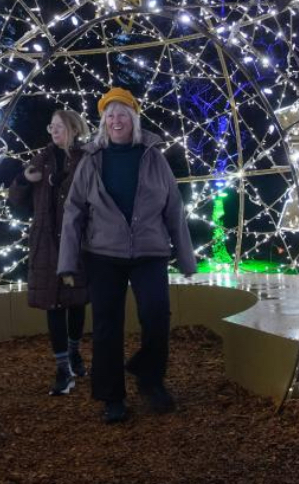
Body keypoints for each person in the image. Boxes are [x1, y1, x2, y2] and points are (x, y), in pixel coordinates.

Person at [58, 87, 197, 424]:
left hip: (150, 251)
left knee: (156, 316)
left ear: (134, 118)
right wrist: (67, 262)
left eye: (122, 114)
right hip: (103, 253)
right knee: (107, 326)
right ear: (103, 121)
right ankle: (112, 396)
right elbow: (74, 211)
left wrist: (185, 256)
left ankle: (149, 378)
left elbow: (173, 207)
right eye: (110, 115)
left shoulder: (153, 156)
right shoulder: (91, 160)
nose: (116, 120)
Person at [8, 109, 91, 395]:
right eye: (51, 126)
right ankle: (62, 368)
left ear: (73, 128)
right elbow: (16, 201)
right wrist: (22, 180)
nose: (53, 132)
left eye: (58, 127)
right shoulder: (41, 160)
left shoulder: (86, 158)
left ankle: (74, 351)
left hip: (76, 240)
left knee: (77, 300)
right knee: (53, 304)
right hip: (46, 242)